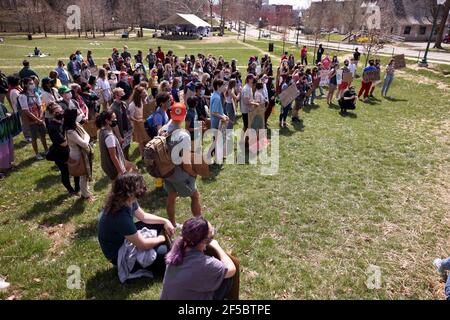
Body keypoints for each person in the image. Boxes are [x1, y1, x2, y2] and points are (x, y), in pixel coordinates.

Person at [98, 173, 175, 271]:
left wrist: (165, 221)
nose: (141, 191)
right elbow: (143, 245)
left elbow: (143, 216)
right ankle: (162, 247)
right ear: (129, 193)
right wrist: (162, 237)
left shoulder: (126, 200)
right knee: (166, 257)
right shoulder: (120, 216)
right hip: (118, 254)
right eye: (138, 189)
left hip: (125, 239)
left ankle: (161, 245)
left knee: (161, 224)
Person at [161, 217, 237, 300]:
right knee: (228, 277)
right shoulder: (204, 263)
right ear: (205, 241)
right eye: (211, 235)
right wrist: (217, 246)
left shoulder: (176, 250)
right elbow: (231, 269)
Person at [162, 103, 202, 227]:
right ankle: (199, 225)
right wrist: (193, 173)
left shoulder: (163, 129)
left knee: (171, 196)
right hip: (179, 174)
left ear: (170, 114)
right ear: (184, 115)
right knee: (195, 196)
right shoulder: (183, 136)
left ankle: (172, 223)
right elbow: (186, 163)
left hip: (166, 170)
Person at [46, 103, 80, 194]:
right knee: (65, 172)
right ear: (52, 114)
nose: (60, 113)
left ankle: (78, 188)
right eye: (57, 112)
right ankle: (70, 189)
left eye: (61, 111)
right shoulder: (52, 127)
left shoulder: (63, 121)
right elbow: (64, 143)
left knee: (76, 169)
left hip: (69, 151)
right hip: (60, 154)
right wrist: (70, 134)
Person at [64, 108, 94, 201]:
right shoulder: (70, 132)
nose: (80, 115)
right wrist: (86, 138)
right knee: (83, 175)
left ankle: (86, 191)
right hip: (78, 156)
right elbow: (84, 143)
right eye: (77, 114)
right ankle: (85, 195)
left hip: (84, 153)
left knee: (85, 174)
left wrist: (86, 138)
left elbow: (87, 135)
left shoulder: (76, 125)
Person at [97, 110, 133, 181]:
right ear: (107, 121)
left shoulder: (102, 131)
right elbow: (113, 156)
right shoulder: (109, 137)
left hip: (106, 165)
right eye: (113, 119)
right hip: (113, 167)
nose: (116, 120)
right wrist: (120, 171)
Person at [18, 78, 48, 160]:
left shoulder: (36, 93)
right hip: (31, 120)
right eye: (30, 83)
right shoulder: (22, 96)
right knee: (34, 138)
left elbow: (40, 106)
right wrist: (37, 119)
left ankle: (46, 150)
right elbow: (26, 111)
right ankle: (37, 153)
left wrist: (41, 116)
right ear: (25, 85)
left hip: (39, 118)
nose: (33, 85)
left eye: (33, 83)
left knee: (43, 135)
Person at [128, 86, 150, 159]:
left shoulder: (144, 101)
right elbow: (130, 117)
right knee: (141, 141)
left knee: (147, 139)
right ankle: (143, 156)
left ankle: (147, 155)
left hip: (145, 123)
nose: (146, 93)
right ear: (139, 94)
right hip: (138, 125)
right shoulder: (132, 104)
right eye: (144, 92)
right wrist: (138, 121)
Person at [110, 88, 132, 160]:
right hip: (120, 131)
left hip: (127, 129)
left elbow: (127, 115)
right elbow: (113, 124)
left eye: (123, 94)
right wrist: (119, 136)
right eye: (121, 94)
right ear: (116, 95)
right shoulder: (113, 108)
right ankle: (123, 161)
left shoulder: (123, 103)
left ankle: (127, 158)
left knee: (127, 145)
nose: (123, 96)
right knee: (121, 148)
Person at [0, 102, 14, 178]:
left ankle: (7, 165)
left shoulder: (1, 105)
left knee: (8, 149)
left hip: (5, 131)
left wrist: (8, 115)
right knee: (2, 151)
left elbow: (7, 112)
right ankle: (1, 170)